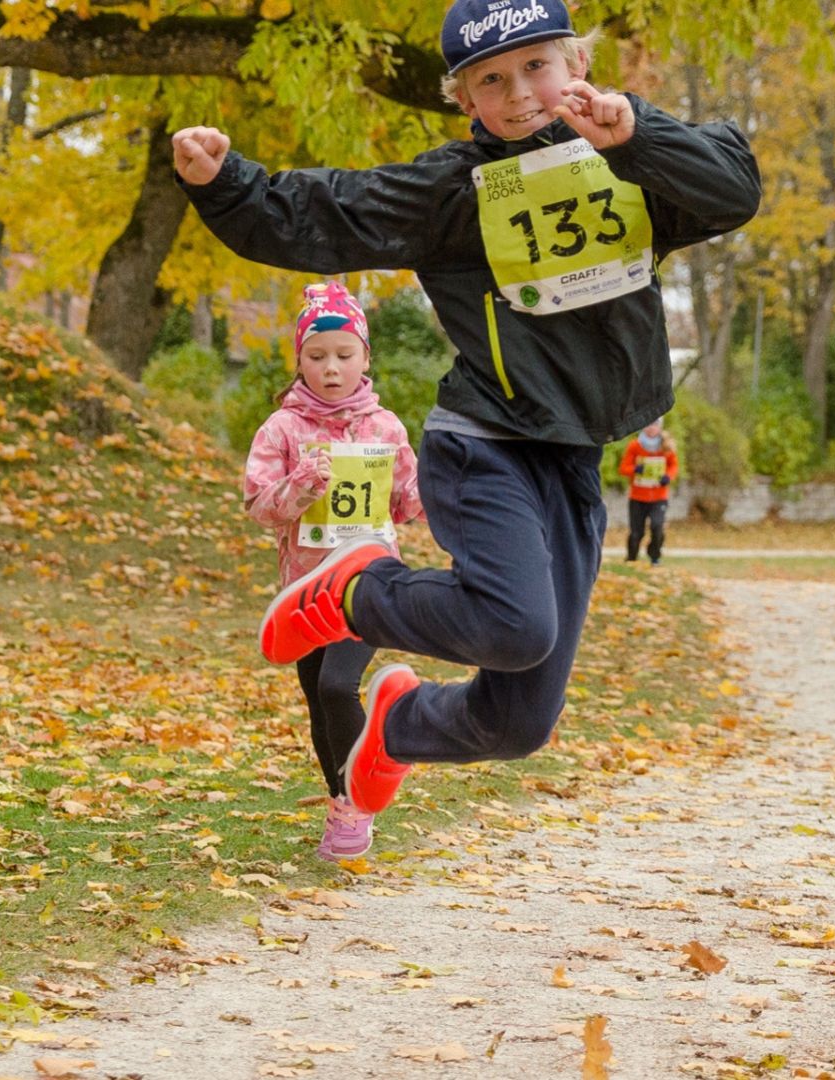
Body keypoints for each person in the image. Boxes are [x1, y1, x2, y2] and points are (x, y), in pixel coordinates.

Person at [171, 0, 760, 815]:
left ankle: (396, 725)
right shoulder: (454, 190)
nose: (518, 94)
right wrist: (227, 185)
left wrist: (637, 136)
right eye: (491, 80)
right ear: (465, 99)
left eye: (535, 68)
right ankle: (352, 594)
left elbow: (734, 190)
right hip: (484, 444)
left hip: (570, 455)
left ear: (577, 67)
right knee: (517, 628)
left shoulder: (631, 161)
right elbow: (332, 212)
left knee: (518, 723)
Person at [244, 282, 423, 859]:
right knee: (320, 700)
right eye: (317, 356)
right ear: (299, 359)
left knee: (337, 683)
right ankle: (344, 807)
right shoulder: (282, 430)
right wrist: (300, 487)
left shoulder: (386, 428)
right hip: (304, 592)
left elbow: (410, 503)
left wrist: (446, 492)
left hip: (368, 581)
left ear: (366, 358)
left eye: (345, 355)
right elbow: (258, 505)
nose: (331, 368)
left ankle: (366, 789)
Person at [619, 419, 677, 564]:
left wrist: (668, 477)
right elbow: (623, 468)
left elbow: (674, 466)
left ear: (660, 427)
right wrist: (635, 470)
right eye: (648, 424)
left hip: (659, 496)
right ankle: (631, 558)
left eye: (655, 425)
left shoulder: (666, 446)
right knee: (636, 532)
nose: (651, 428)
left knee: (657, 526)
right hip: (638, 497)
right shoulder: (635, 446)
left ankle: (655, 556)